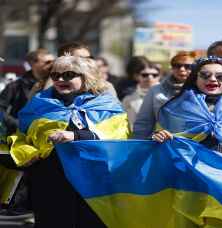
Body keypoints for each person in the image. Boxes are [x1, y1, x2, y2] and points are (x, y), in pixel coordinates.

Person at [8, 55, 130, 227]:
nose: (59, 79)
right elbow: (22, 136)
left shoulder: (106, 103)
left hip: (92, 181)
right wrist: (29, 153)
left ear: (85, 76)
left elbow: (118, 135)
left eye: (68, 75)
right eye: (55, 75)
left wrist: (75, 136)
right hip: (50, 180)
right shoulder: (40, 102)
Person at [152, 56, 222, 159]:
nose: (213, 79)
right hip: (188, 167)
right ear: (195, 78)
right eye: (205, 75)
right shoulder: (176, 107)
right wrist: (161, 136)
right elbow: (162, 137)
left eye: (220, 76)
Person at [133, 51, 196, 139]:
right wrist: (138, 146)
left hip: (196, 145)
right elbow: (144, 123)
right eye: (177, 65)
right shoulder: (155, 90)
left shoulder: (202, 90)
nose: (182, 69)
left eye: (187, 66)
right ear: (172, 68)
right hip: (163, 144)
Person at [0, 49, 54, 135]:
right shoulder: (15, 86)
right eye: (48, 62)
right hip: (20, 135)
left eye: (53, 62)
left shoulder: (57, 84)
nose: (52, 65)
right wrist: (16, 123)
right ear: (32, 64)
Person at [122, 58, 161, 128]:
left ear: (159, 77)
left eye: (154, 75)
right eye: (145, 75)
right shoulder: (128, 99)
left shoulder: (168, 96)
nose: (150, 77)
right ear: (137, 76)